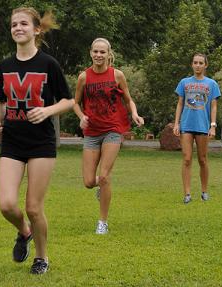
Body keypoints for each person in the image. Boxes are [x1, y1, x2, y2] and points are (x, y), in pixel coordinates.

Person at [0, 7, 74, 274]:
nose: (18, 28)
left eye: (23, 24)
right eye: (14, 24)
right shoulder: (5, 65)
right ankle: (23, 231)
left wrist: (47, 111)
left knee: (34, 207)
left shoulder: (49, 64)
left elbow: (69, 101)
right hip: (13, 142)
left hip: (41, 144)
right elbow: (0, 100)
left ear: (36, 30)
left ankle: (41, 258)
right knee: (6, 205)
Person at [73, 38, 144, 234]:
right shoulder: (83, 77)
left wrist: (135, 114)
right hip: (92, 132)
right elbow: (75, 103)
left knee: (104, 176)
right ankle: (102, 187)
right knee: (89, 181)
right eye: (95, 51)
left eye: (102, 52)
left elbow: (129, 100)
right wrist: (81, 116)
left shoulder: (117, 75)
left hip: (113, 129)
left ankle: (102, 222)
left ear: (108, 54)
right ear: (90, 52)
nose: (98, 55)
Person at [173, 53, 221, 204]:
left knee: (202, 160)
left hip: (202, 126)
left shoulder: (211, 84)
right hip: (186, 125)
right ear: (192, 64)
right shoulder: (184, 82)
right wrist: (176, 123)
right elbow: (180, 103)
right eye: (195, 62)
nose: (198, 65)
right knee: (187, 159)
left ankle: (204, 191)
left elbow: (213, 105)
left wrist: (213, 126)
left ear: (206, 65)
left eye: (201, 63)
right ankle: (187, 194)